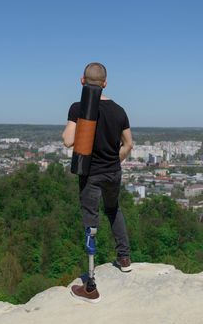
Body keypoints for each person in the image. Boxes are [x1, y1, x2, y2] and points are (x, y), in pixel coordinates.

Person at [62, 62, 133, 302]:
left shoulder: (79, 107)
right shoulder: (120, 110)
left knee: (90, 221)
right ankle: (124, 259)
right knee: (113, 210)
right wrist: (116, 161)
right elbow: (129, 145)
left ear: (82, 81)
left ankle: (90, 286)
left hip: (90, 175)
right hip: (113, 173)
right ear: (105, 83)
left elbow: (68, 141)